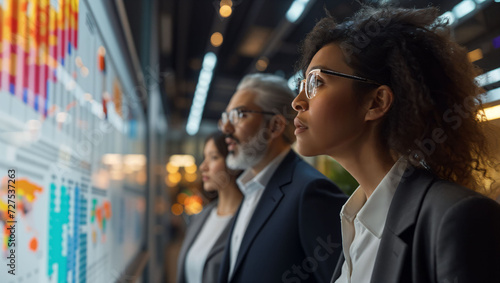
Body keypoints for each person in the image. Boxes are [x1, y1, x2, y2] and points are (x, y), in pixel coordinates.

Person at [291, 5, 500, 283]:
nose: (297, 101)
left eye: (316, 82)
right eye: (302, 84)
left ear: (376, 102)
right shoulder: (353, 226)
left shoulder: (456, 216)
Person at [218, 73, 347, 283]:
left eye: (239, 115)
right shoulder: (251, 188)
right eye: (226, 117)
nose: (226, 128)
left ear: (275, 126)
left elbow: (337, 277)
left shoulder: (311, 191)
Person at [177, 132, 243, 283]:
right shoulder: (201, 216)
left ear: (233, 162)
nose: (203, 167)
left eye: (213, 157)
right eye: (204, 157)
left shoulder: (248, 219)